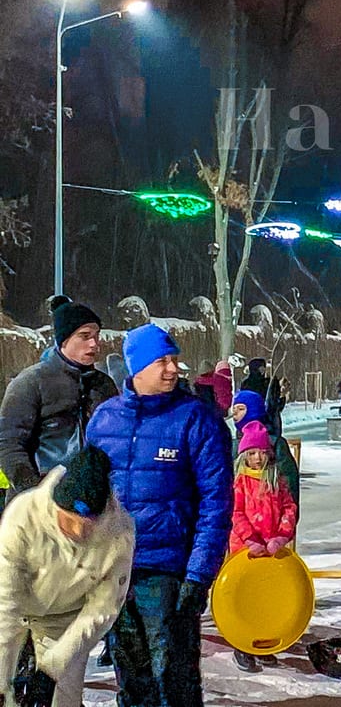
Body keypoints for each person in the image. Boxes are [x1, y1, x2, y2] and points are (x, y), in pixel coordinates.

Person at [86, 323, 233, 707]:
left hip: (170, 573)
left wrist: (199, 575)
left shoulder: (196, 419)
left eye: (174, 360)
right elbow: (88, 492)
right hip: (116, 571)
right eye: (161, 361)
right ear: (137, 368)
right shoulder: (105, 420)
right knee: (131, 677)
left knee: (174, 678)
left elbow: (217, 503)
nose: (172, 369)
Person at [0, 446, 133, 707]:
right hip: (15, 607)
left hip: (66, 618)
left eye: (87, 525)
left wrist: (51, 669)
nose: (77, 532)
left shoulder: (119, 535)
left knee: (65, 697)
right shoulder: (23, 516)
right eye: (69, 520)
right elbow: (5, 603)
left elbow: (101, 610)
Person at [0, 298, 117, 508]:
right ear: (64, 339)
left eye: (97, 336)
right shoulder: (30, 383)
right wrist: (34, 493)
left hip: (92, 505)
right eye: (85, 336)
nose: (94, 343)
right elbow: (9, 444)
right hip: (36, 505)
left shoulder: (104, 386)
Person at [229, 421, 298, 672]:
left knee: (269, 597)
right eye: (251, 453)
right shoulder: (240, 482)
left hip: (272, 550)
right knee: (247, 598)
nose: (257, 458)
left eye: (261, 452)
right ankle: (243, 644)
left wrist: (281, 536)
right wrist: (250, 539)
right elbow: (235, 513)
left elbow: (289, 507)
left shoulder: (276, 478)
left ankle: (265, 643)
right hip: (246, 552)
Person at [233, 390, 300, 507]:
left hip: (274, 517)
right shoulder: (233, 444)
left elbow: (290, 487)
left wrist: (288, 521)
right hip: (240, 520)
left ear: (253, 410)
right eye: (234, 409)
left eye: (240, 409)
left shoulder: (275, 444)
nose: (235, 414)